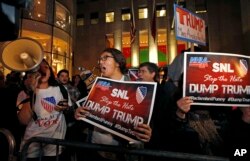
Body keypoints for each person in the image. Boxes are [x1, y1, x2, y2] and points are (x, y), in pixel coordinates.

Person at [74, 48, 152, 161]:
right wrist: (79, 112)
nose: (101, 62)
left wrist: (145, 132)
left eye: (105, 58)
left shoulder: (136, 90)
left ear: (118, 63)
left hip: (120, 153)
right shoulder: (96, 85)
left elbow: (142, 122)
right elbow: (84, 110)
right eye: (99, 59)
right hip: (94, 147)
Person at [17, 59, 72, 161]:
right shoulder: (26, 92)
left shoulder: (60, 89)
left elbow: (68, 109)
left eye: (45, 67)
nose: (42, 70)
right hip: (32, 142)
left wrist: (65, 108)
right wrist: (32, 92)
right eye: (38, 69)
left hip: (54, 142)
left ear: (50, 72)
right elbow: (23, 121)